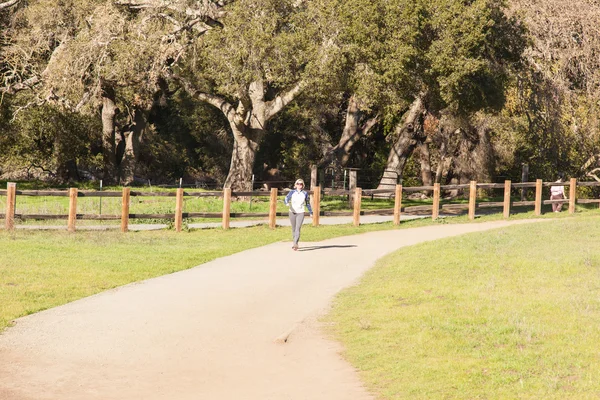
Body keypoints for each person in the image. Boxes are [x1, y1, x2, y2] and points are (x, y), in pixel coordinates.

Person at [284, 178, 313, 250]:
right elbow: (286, 198)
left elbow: (307, 203)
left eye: (301, 184)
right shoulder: (292, 192)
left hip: (300, 212)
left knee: (298, 228)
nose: (299, 185)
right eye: (298, 184)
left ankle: (295, 244)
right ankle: (294, 242)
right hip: (292, 212)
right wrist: (287, 203)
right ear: (295, 185)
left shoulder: (305, 193)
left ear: (303, 185)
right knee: (293, 228)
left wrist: (310, 212)